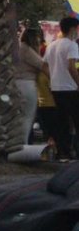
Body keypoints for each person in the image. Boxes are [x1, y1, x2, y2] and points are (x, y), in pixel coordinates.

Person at [44, 17, 79, 161]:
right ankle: (75, 151)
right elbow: (72, 66)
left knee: (62, 121)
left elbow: (44, 65)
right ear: (72, 29)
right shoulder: (72, 45)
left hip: (56, 88)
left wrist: (53, 77)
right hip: (70, 88)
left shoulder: (51, 45)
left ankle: (63, 152)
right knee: (76, 120)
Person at [14, 27, 49, 144]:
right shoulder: (26, 49)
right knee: (27, 117)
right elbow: (42, 65)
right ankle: (22, 144)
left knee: (20, 117)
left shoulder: (18, 47)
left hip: (16, 83)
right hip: (27, 84)